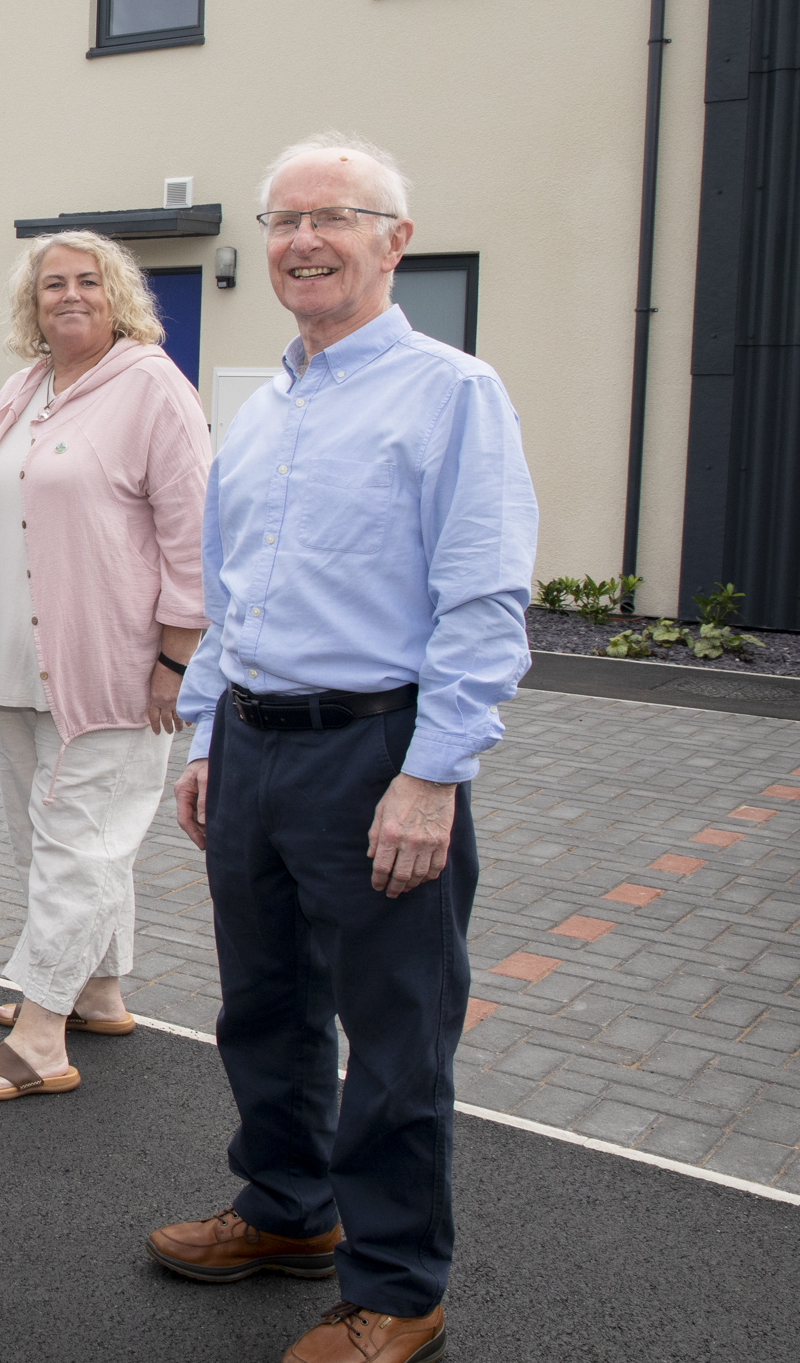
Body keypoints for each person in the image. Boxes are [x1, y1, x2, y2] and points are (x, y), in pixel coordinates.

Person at [152, 134, 535, 1363]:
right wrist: (209, 733)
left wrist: (433, 776)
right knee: (261, 1010)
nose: (302, 241)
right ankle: (285, 1212)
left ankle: (398, 1289)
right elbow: (230, 591)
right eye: (281, 220)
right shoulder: (259, 412)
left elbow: (481, 606)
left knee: (396, 1036)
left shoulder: (452, 393)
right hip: (255, 749)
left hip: (378, 755)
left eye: (333, 216)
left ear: (393, 241)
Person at [0, 231, 209, 1102]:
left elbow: (196, 535)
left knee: (78, 842)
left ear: (117, 294)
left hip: (115, 669)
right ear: (32, 303)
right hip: (15, 664)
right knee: (50, 840)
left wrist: (176, 655)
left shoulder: (153, 387)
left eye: (88, 280)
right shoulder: (21, 388)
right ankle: (95, 990)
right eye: (52, 284)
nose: (69, 295)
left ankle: (43, 1035)